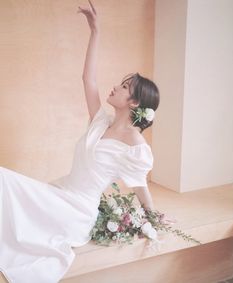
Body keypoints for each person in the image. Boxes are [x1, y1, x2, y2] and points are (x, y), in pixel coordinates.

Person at [0, 1, 160, 282]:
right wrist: (95, 31)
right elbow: (88, 78)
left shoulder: (135, 145)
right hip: (61, 195)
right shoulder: (100, 121)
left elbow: (140, 185)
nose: (116, 87)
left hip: (75, 213)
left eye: (124, 87)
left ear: (133, 102)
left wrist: (154, 216)